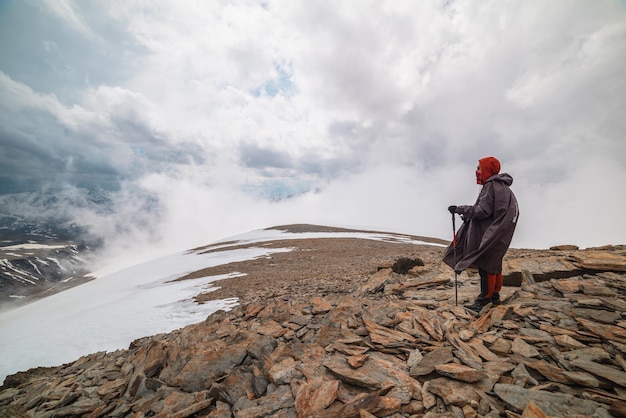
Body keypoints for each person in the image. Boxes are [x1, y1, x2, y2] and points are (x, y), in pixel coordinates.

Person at [443, 156, 519, 311]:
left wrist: (459, 209)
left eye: (479, 168)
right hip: (500, 234)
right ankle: (495, 297)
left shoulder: (491, 186)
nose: (476, 171)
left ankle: (484, 300)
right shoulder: (504, 188)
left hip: (490, 234)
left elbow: (481, 211)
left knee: (486, 265)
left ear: (487, 169)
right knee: (494, 264)